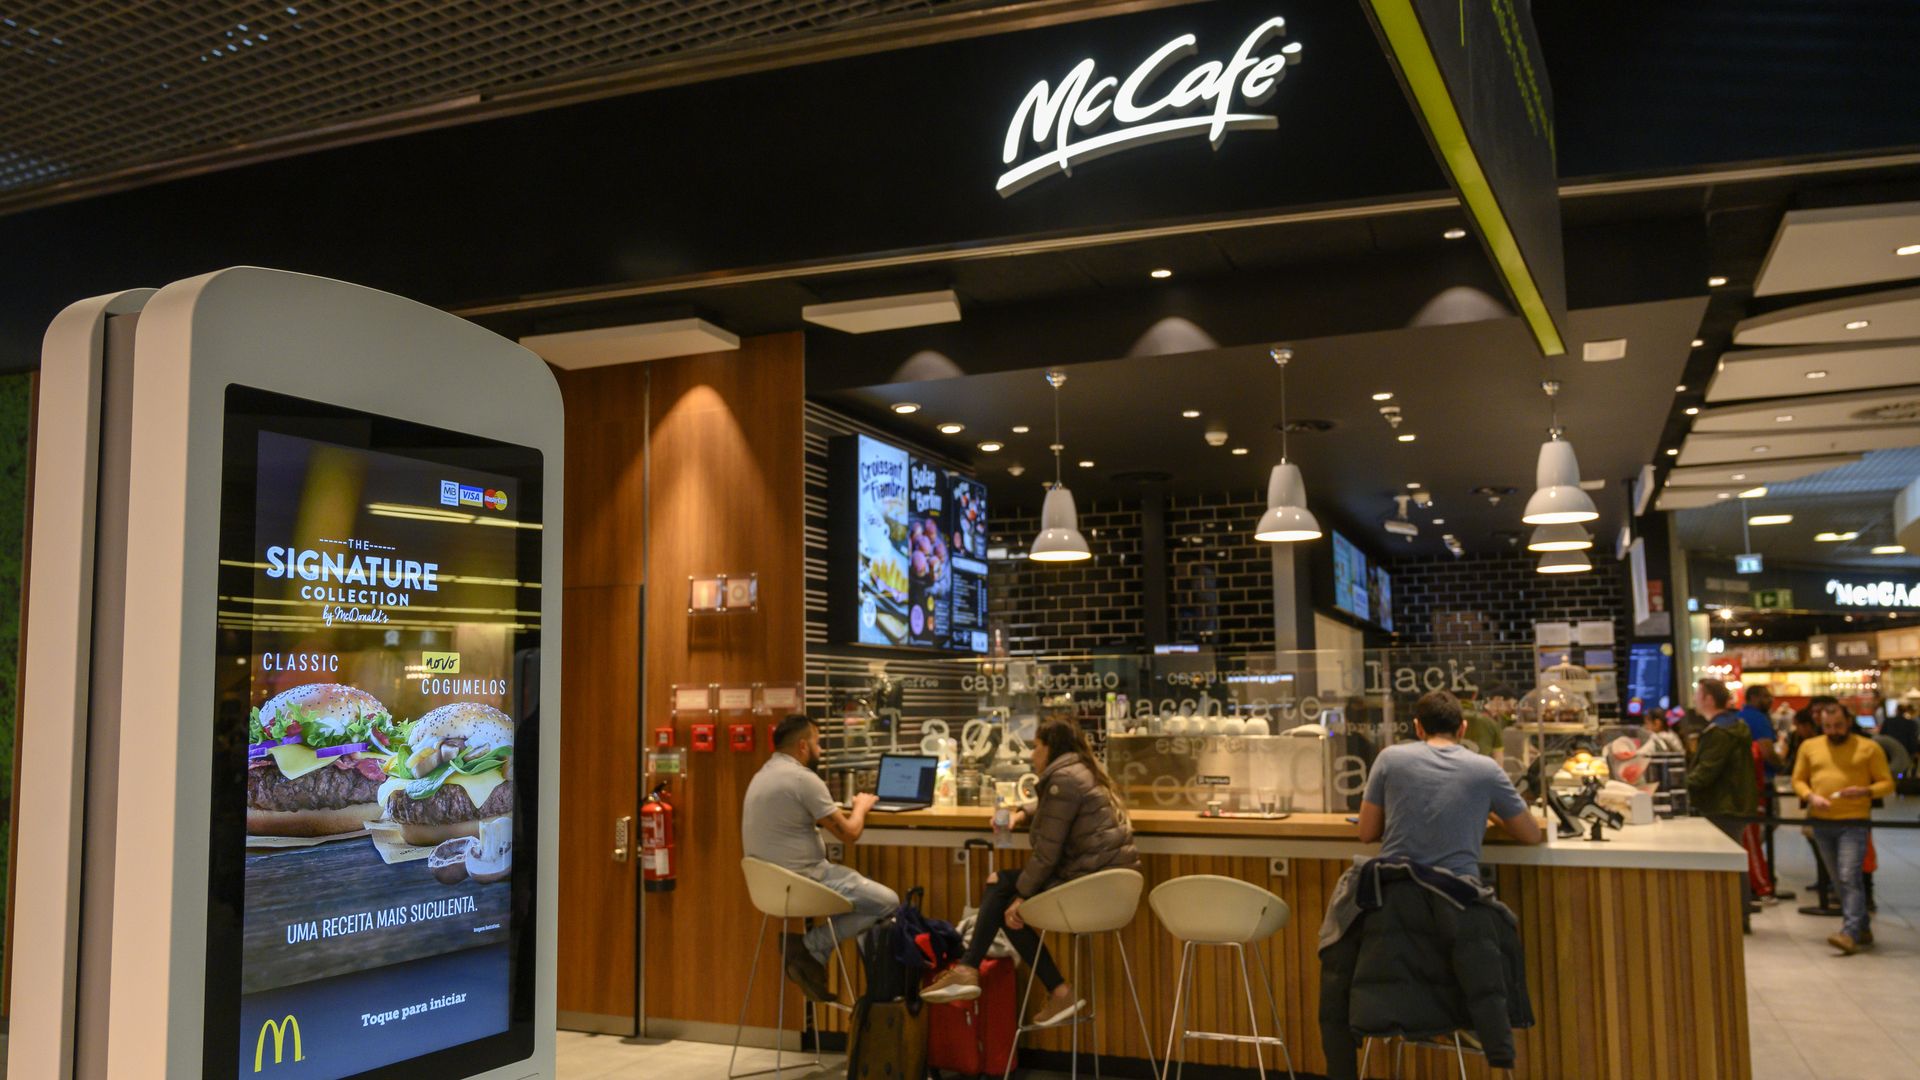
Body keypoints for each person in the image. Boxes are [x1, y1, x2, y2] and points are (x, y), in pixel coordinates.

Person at [920, 717, 1139, 1026]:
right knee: (1005, 901)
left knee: (1003, 890)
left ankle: (971, 969)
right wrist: (1022, 813)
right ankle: (1053, 989)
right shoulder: (1078, 773)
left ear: (1051, 748)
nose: (1031, 754)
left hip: (1088, 885)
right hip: (1108, 884)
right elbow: (1056, 806)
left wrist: (1023, 896)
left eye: (1036, 746)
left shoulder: (1063, 781)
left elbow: (1047, 854)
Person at [741, 714, 896, 1001]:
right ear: (802, 745)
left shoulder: (760, 775)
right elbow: (849, 834)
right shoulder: (803, 779)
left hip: (768, 887)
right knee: (887, 902)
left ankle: (811, 954)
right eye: (818, 743)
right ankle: (811, 946)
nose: (821, 750)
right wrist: (861, 805)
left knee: (859, 895)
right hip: (806, 881)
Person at [1356, 690, 1543, 880]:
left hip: (1395, 892)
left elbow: (1367, 833)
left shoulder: (1389, 759)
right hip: (1457, 895)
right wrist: (1486, 810)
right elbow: (1532, 835)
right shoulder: (1486, 769)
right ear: (1462, 729)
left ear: (1418, 728)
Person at [1792, 698, 1893, 954]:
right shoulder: (1809, 747)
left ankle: (1849, 932)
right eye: (1827, 726)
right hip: (1821, 821)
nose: (1833, 731)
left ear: (1848, 722)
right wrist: (1810, 796)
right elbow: (1799, 780)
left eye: (1838, 725)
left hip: (1854, 821)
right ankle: (1862, 926)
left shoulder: (1868, 748)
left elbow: (1887, 783)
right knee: (1838, 879)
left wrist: (1865, 791)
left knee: (1849, 875)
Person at [1686, 679, 1758, 913]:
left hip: (1723, 803)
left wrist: (1680, 786)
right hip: (1731, 802)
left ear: (1708, 699)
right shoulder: (1731, 726)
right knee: (1733, 857)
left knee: (1729, 861)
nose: (1695, 699)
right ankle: (1738, 912)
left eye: (1698, 694)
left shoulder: (1720, 732)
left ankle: (1737, 914)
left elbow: (1707, 771)